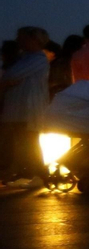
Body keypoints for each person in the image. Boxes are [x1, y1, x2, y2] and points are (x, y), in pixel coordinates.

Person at [1, 27, 52, 182]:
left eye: (21, 37)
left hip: (29, 107)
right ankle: (30, 172)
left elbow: (11, 74)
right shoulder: (25, 58)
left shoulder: (38, 58)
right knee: (23, 142)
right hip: (19, 107)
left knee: (28, 141)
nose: (18, 40)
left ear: (33, 39)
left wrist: (8, 81)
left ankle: (37, 174)